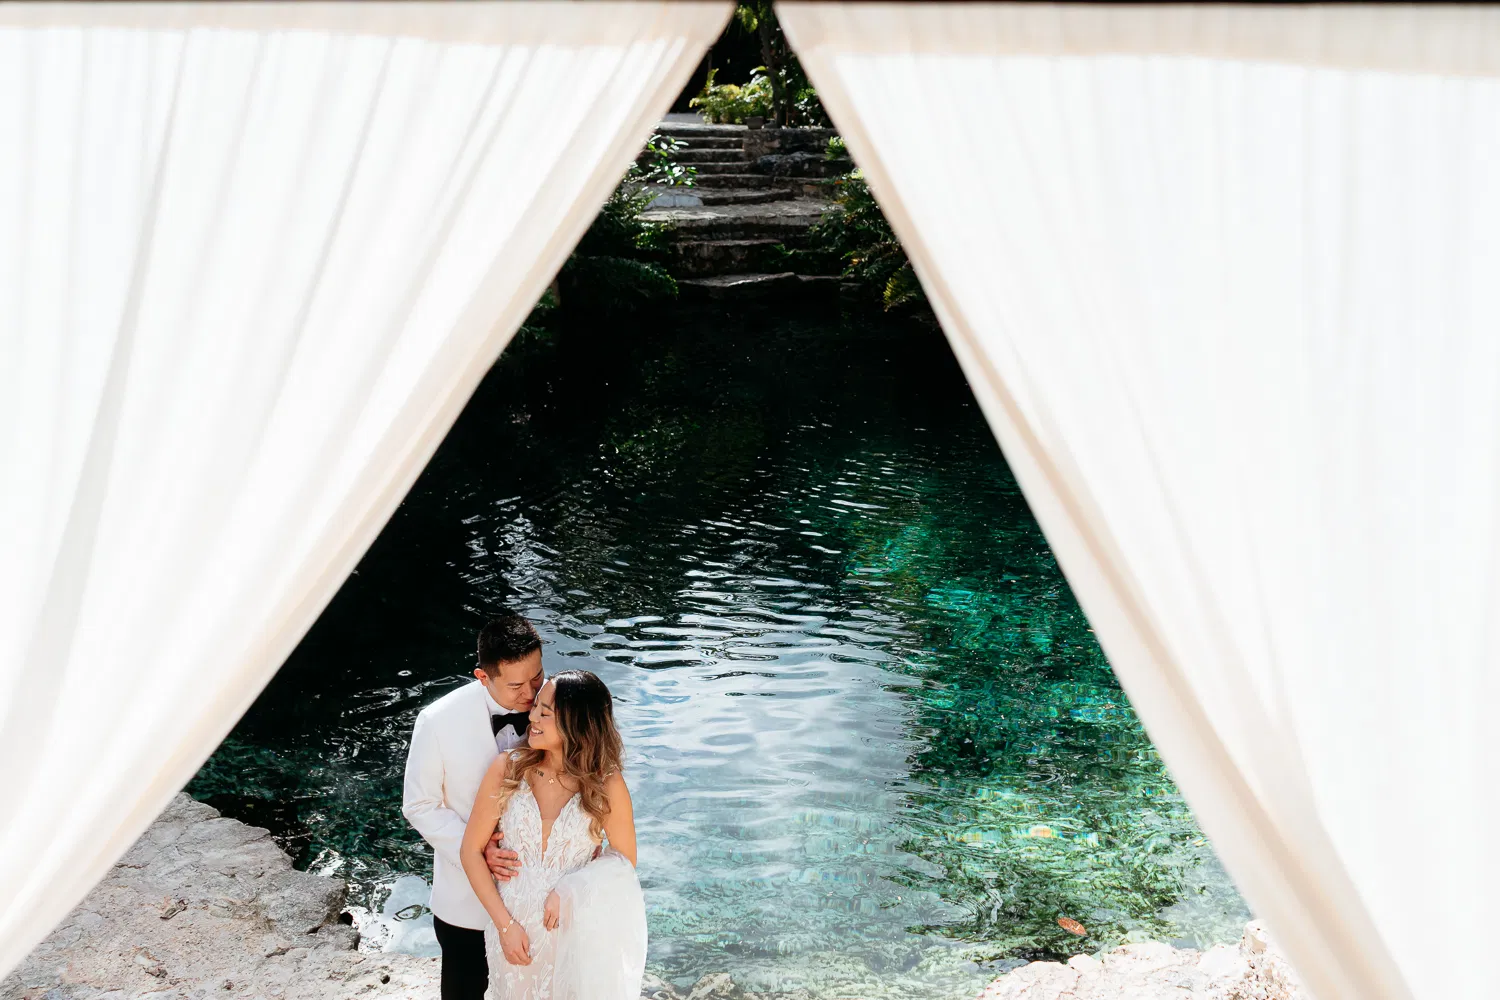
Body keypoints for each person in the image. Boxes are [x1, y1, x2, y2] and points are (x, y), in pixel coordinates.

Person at [460, 670, 646, 1000]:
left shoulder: (606, 785)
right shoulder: (508, 768)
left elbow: (624, 863)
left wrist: (570, 888)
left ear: (577, 723)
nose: (532, 717)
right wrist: (505, 926)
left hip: (574, 936)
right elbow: (471, 851)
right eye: (536, 708)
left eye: (545, 713)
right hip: (512, 936)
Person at [403, 613, 546, 1000]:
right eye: (516, 685)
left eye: (537, 676)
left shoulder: (556, 707)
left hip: (539, 894)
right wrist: (477, 847)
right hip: (463, 902)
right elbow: (419, 805)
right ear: (483, 676)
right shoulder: (436, 721)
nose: (531, 693)